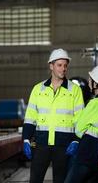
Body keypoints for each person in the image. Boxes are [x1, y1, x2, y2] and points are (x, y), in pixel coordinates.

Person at [22, 48, 84, 183]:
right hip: (41, 143)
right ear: (51, 66)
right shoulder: (38, 89)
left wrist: (76, 140)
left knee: (60, 180)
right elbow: (30, 116)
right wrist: (26, 139)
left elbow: (80, 119)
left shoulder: (75, 90)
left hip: (64, 145)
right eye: (59, 65)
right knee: (35, 179)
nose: (63, 69)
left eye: (65, 65)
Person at [64, 64, 98, 183]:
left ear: (96, 84)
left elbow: (78, 129)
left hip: (87, 152)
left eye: (90, 79)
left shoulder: (95, 103)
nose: (88, 81)